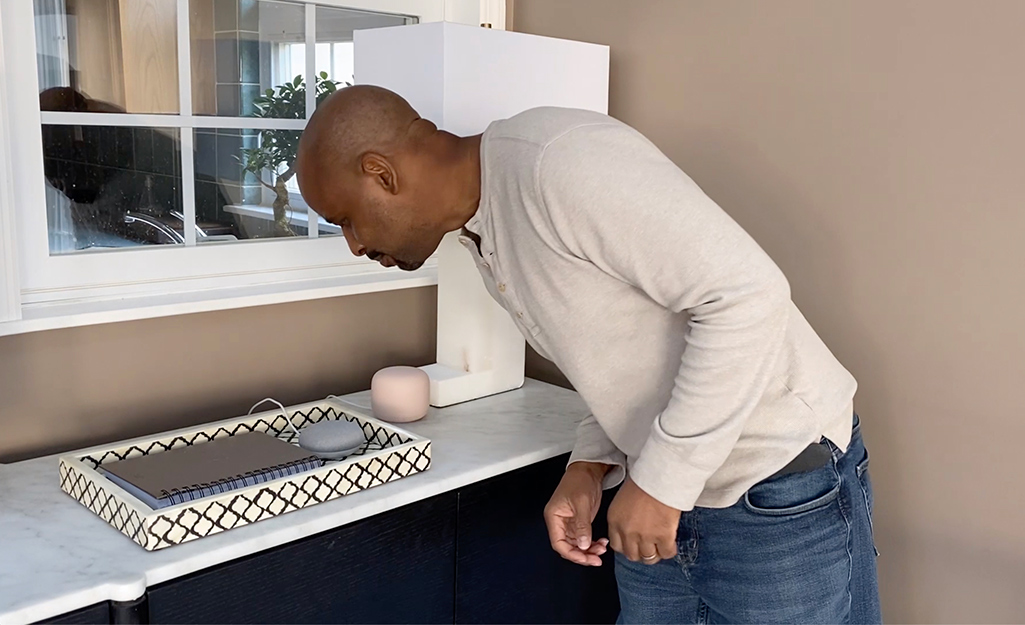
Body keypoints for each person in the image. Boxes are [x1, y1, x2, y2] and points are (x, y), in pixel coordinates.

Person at [295, 85, 881, 624]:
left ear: (381, 173)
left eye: (345, 219)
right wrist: (590, 466)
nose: (354, 245)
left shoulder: (558, 162)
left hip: (776, 489)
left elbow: (748, 296)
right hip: (664, 497)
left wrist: (657, 486)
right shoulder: (483, 230)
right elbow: (625, 357)